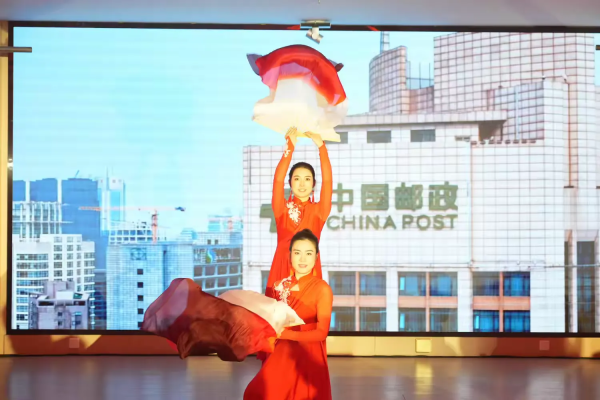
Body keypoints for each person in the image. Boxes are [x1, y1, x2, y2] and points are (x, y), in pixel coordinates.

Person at [244, 229, 333, 400]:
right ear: (290, 255)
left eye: (308, 253)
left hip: (308, 357)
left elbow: (322, 333)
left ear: (316, 257)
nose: (302, 259)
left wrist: (286, 334)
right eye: (297, 253)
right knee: (257, 393)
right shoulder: (279, 286)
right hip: (281, 354)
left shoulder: (322, 289)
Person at [265, 126, 333, 298]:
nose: (302, 184)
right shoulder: (281, 209)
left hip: (308, 272)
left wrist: (321, 147)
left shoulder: (319, 211)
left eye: (307, 179)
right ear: (290, 183)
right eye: (297, 179)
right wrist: (290, 146)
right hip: (282, 270)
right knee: (278, 314)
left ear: (313, 184)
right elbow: (277, 179)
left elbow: (328, 181)